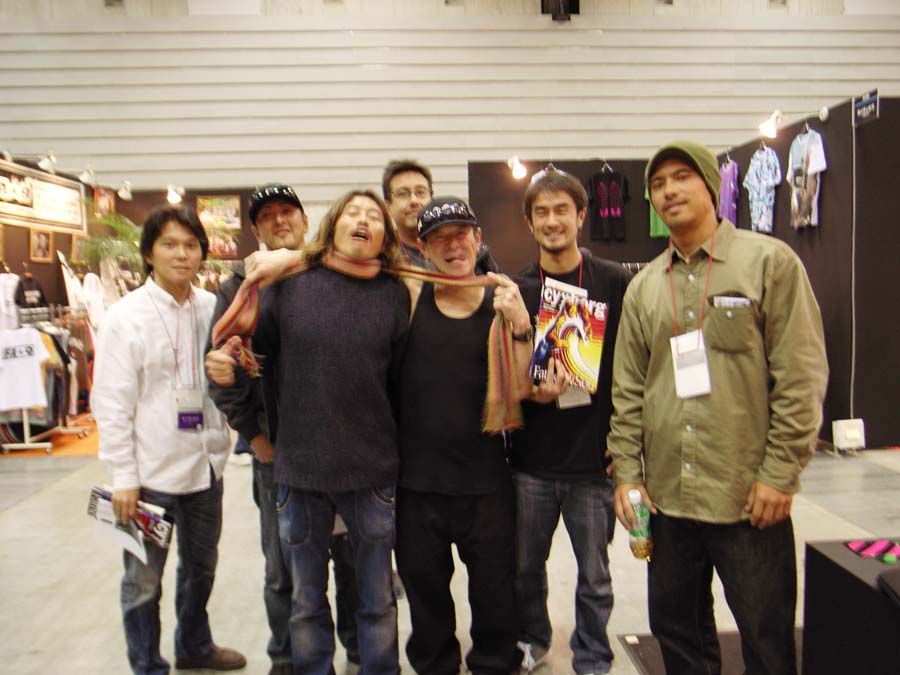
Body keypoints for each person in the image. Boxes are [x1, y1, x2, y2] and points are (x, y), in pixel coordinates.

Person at [608, 141, 828, 675]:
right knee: (678, 636)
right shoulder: (644, 287)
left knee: (766, 639)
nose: (669, 191)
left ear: (711, 185)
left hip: (747, 498)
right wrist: (629, 476)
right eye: (658, 184)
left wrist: (780, 473)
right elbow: (628, 391)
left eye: (681, 177)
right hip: (668, 500)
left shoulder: (769, 262)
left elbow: (800, 376)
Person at [210, 190, 409, 675]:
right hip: (299, 473)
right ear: (331, 225)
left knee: (377, 599)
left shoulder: (394, 293)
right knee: (305, 602)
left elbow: (402, 382)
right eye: (353, 212)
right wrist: (226, 365)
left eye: (374, 216)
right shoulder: (288, 284)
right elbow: (250, 354)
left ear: (384, 236)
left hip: (372, 474)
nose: (363, 220)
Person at [91, 204, 246, 675]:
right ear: (149, 253)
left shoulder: (213, 308)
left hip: (204, 470)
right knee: (143, 581)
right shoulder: (125, 318)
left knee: (201, 570)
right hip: (148, 478)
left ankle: (194, 646)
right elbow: (111, 402)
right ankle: (147, 665)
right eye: (170, 245)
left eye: (191, 245)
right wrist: (123, 476)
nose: (182, 255)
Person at [394, 196, 531, 675]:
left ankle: (494, 665)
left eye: (460, 235)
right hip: (418, 487)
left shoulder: (503, 301)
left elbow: (525, 388)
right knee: (426, 598)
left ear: (477, 238)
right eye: (439, 239)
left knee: (495, 597)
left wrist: (521, 325)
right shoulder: (410, 299)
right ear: (423, 248)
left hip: (486, 484)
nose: (452, 246)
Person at [511, 168, 630, 675]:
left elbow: (633, 367)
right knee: (524, 569)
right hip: (531, 463)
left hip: (594, 461)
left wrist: (626, 448)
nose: (552, 221)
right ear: (529, 222)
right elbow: (504, 375)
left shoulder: (614, 281)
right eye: (541, 212)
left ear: (582, 216)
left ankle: (593, 654)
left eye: (562, 210)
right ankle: (533, 640)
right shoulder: (519, 289)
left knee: (595, 576)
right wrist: (529, 389)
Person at [382, 159, 499, 273]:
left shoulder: (475, 251)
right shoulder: (385, 258)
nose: (414, 200)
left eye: (420, 192)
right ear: (388, 206)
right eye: (402, 194)